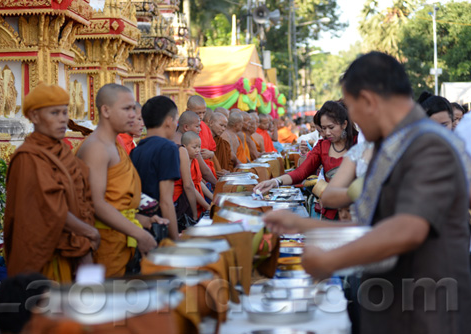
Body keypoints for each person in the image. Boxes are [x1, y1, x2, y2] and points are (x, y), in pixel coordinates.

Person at [264, 52, 471, 334]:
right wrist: (305, 225)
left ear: (369, 101)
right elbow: (373, 227)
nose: (353, 119)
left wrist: (329, 261)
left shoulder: (429, 144)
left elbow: (407, 229)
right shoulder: (394, 144)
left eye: (350, 108)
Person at [4, 83, 99, 283]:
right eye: (54, 113)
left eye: (65, 112)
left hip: (78, 249)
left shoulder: (64, 152)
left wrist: (84, 242)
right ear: (34, 116)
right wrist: (88, 231)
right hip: (47, 257)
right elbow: (50, 211)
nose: (63, 119)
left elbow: (83, 196)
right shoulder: (28, 157)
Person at [77, 84, 162, 277]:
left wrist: (142, 221)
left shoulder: (115, 144)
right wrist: (138, 233)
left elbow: (117, 201)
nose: (133, 114)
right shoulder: (96, 147)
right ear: (105, 110)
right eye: (126, 109)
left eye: (133, 108)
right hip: (105, 243)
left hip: (122, 239)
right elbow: (96, 204)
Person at [255, 101, 357, 220]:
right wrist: (275, 182)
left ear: (344, 124)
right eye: (323, 128)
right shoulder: (322, 146)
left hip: (356, 209)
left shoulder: (360, 143)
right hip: (331, 210)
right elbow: (301, 172)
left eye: (331, 127)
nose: (327, 133)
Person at [130, 96, 181, 239]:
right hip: (158, 225)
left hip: (140, 224)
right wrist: (175, 239)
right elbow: (166, 201)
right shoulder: (168, 148)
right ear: (169, 121)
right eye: (176, 120)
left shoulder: (137, 149)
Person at [174, 110, 217, 185]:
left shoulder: (172, 137)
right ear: (186, 127)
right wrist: (217, 185)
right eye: (197, 126)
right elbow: (205, 172)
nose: (200, 130)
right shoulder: (188, 143)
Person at [186, 96, 217, 179]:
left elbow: (212, 150)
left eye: (203, 113)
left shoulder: (204, 126)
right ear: (188, 111)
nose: (201, 116)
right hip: (194, 174)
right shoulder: (185, 127)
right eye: (198, 113)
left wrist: (211, 154)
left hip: (208, 172)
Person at [182, 131, 211, 218]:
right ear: (184, 147)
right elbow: (190, 186)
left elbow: (198, 182)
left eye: (199, 147)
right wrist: (207, 206)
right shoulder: (184, 163)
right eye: (194, 147)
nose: (198, 150)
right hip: (188, 201)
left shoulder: (194, 160)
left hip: (199, 198)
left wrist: (213, 198)